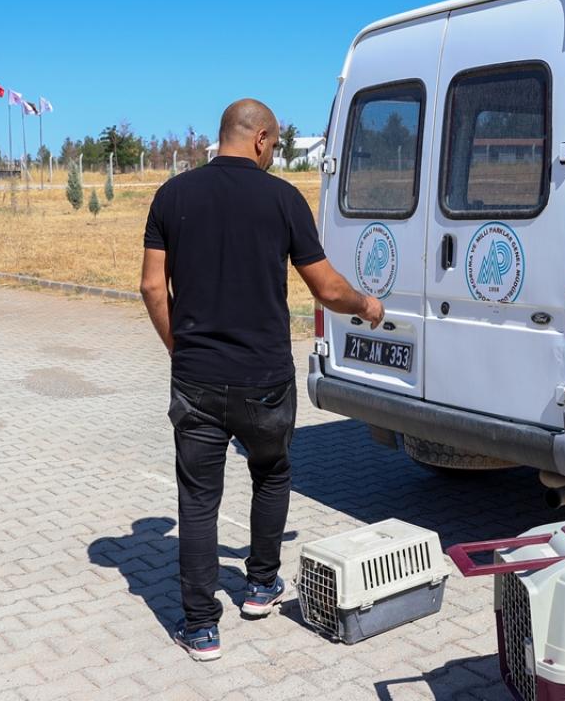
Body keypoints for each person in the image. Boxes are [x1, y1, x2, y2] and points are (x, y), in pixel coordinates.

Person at [140, 98, 384, 661]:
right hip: (265, 379)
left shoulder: (171, 195)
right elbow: (326, 288)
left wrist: (181, 350)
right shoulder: (283, 199)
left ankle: (201, 627)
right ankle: (259, 587)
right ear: (260, 138)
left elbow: (153, 287)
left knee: (198, 500)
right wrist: (367, 305)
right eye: (274, 144)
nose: (273, 154)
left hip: (197, 379)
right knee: (271, 474)